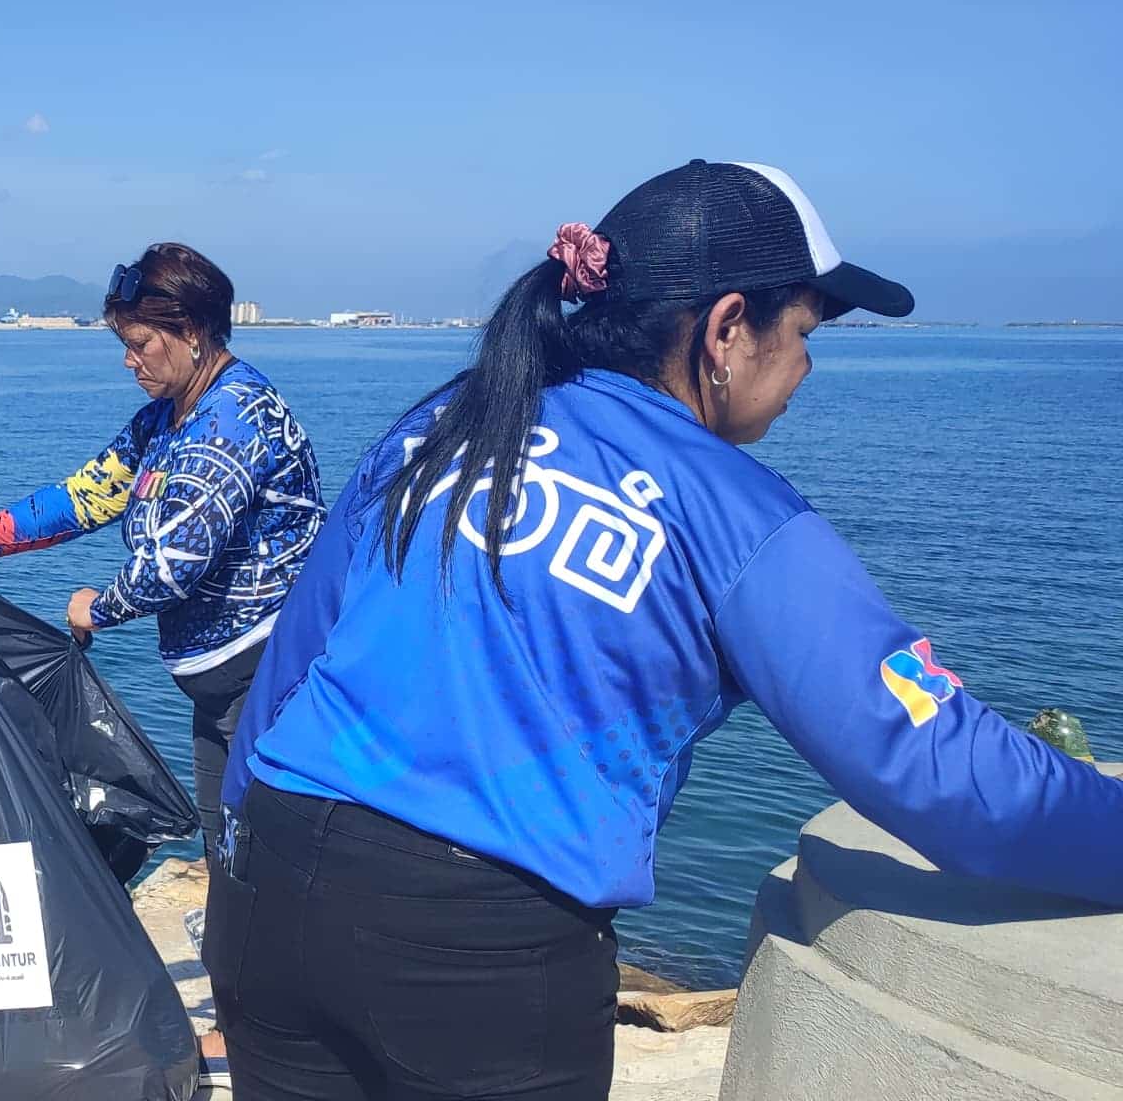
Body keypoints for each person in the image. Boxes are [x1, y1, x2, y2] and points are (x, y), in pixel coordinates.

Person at [207, 160, 1123, 1100]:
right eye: (805, 332)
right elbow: (946, 771)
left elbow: (297, 655)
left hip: (269, 883)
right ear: (728, 329)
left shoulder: (447, 420)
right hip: (473, 949)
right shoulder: (731, 513)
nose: (808, 366)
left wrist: (233, 851)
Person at [0, 241, 324, 869]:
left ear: (190, 331)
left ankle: (261, 957)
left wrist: (97, 608)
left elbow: (175, 563)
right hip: (223, 689)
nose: (128, 360)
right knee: (232, 845)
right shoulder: (168, 417)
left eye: (140, 343)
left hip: (268, 677)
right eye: (125, 342)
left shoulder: (230, 422)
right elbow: (87, 493)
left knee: (263, 850)